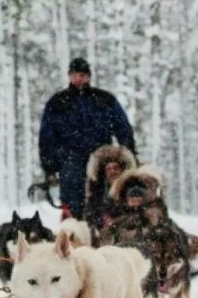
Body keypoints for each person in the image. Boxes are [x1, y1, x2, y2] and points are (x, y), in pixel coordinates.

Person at [38, 57, 136, 220]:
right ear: (69, 76)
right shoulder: (57, 103)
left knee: (105, 202)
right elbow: (47, 137)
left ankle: (103, 229)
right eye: (75, 75)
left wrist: (128, 153)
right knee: (73, 205)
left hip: (101, 160)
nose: (79, 79)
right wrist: (49, 166)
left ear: (89, 77)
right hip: (70, 160)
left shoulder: (104, 100)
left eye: (83, 75)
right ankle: (74, 232)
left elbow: (122, 127)